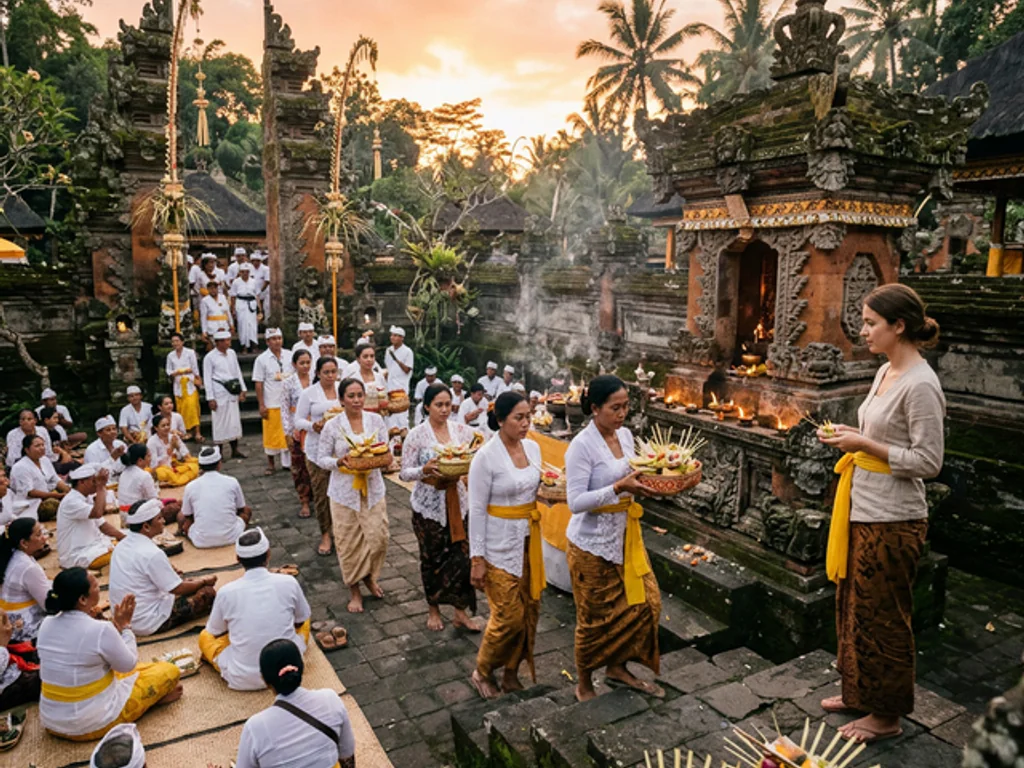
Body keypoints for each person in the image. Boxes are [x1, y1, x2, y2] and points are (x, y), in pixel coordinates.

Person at [817, 283, 945, 744]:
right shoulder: (885, 372)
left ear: (899, 326)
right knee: (855, 608)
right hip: (861, 508)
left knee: (884, 616)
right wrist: (850, 435)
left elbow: (929, 463)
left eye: (871, 323)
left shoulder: (921, 384)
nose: (863, 330)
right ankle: (859, 691)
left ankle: (886, 716)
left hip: (893, 518)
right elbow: (878, 435)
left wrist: (863, 444)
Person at [564, 374, 663, 702]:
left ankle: (617, 666)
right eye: (614, 408)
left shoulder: (627, 436)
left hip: (625, 536)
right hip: (590, 544)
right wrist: (618, 489)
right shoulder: (581, 446)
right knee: (593, 619)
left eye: (625, 407)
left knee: (646, 603)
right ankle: (584, 683)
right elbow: (575, 502)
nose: (622, 415)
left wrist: (651, 483)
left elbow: (634, 473)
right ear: (594, 408)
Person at [38, 568, 183, 741]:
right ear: (83, 599)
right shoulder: (100, 629)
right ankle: (152, 703)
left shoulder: (46, 624)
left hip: (52, 722)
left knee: (125, 670)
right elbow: (129, 664)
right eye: (96, 586)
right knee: (169, 670)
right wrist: (125, 626)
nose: (100, 587)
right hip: (90, 724)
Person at [467, 391, 543, 699]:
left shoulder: (534, 448)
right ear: (500, 420)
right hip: (498, 546)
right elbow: (476, 509)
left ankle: (512, 671)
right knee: (508, 616)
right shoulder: (486, 457)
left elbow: (540, 484)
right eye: (518, 418)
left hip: (529, 541)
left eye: (528, 417)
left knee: (530, 612)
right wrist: (477, 558)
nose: (526, 424)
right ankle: (483, 670)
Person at [400, 382, 482, 633]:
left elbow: (480, 444)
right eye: (439, 405)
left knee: (461, 558)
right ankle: (433, 607)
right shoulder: (417, 435)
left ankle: (460, 612)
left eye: (447, 404)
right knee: (432, 557)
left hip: (458, 503)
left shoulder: (460, 430)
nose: (445, 409)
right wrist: (423, 470)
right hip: (429, 506)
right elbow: (403, 473)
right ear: (426, 406)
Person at [199, 528, 311, 691]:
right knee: (305, 620)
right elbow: (300, 620)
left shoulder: (226, 592)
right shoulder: (289, 582)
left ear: (238, 559)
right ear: (268, 554)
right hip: (289, 665)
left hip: (244, 678)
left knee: (205, 636)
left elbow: (215, 632)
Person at [316, 378, 390, 613]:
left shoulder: (376, 420)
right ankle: (355, 589)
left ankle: (369, 576)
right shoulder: (333, 425)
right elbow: (322, 458)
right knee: (348, 544)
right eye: (351, 396)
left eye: (360, 395)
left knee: (379, 538)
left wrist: (378, 459)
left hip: (373, 488)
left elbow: (385, 449)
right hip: (343, 493)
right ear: (341, 400)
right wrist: (340, 461)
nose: (357, 400)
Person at [235, 638, 356, 768]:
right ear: (302, 668)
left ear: (264, 680)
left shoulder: (255, 727)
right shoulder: (330, 699)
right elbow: (347, 753)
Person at [109, 499, 217, 637]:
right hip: (147, 622)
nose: (164, 521)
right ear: (146, 527)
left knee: (188, 581)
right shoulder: (152, 553)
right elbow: (177, 588)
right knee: (207, 593)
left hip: (123, 617)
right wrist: (204, 581)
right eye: (159, 518)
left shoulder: (122, 545)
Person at [295, 356, 341, 557]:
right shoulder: (309, 393)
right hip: (317, 449)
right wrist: (312, 426)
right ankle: (325, 534)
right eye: (326, 372)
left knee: (342, 492)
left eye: (334, 372)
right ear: (318, 373)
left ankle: (342, 532)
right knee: (322, 493)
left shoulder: (343, 389)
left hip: (341, 448)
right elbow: (297, 420)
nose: (331, 376)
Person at [179, 447, 251, 548]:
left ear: (200, 467)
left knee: (184, 519)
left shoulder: (190, 486)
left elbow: (186, 514)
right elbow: (241, 507)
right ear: (219, 464)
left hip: (200, 541)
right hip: (232, 537)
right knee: (247, 511)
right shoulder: (232, 481)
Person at [56, 464, 124, 570]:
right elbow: (98, 513)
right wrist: (101, 487)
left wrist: (124, 538)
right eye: (94, 481)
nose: (96, 484)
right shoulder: (71, 501)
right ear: (81, 482)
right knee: (122, 553)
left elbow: (103, 525)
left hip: (93, 547)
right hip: (78, 555)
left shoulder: (86, 497)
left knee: (128, 541)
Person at [0, 517, 51, 643]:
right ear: (24, 543)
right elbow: (49, 605)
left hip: (9, 623)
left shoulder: (10, 555)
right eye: (39, 535)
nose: (44, 537)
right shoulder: (28, 567)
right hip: (25, 631)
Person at [253, 328, 294, 476]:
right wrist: (261, 404)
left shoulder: (289, 355)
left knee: (287, 432)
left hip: (288, 401)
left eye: (279, 338)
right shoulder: (261, 359)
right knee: (270, 434)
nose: (277, 341)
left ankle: (288, 463)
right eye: (274, 339)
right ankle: (271, 463)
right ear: (267, 342)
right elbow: (258, 383)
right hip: (272, 401)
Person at [203, 329, 248, 459]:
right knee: (220, 421)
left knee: (234, 420)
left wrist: (242, 389)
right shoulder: (210, 357)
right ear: (218, 342)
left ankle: (235, 449)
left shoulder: (232, 353)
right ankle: (219, 451)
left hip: (232, 388)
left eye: (229, 340)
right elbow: (207, 378)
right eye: (226, 341)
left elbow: (237, 371)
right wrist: (210, 397)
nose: (228, 343)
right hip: (219, 391)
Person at [281, 349, 313, 519]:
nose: (305, 366)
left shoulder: (316, 379)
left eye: (308, 362)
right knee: (299, 467)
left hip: (314, 426)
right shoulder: (288, 382)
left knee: (315, 465)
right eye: (302, 363)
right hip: (296, 428)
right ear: (294, 364)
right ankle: (304, 500)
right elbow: (285, 408)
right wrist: (288, 430)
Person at [117, 443, 180, 525]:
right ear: (140, 460)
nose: (150, 459)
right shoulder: (144, 475)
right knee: (178, 507)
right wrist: (163, 503)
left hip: (124, 514)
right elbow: (154, 500)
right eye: (148, 456)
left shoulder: (124, 472)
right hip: (138, 516)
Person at [10, 434, 68, 521]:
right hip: (30, 504)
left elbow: (55, 479)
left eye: (42, 445)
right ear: (27, 450)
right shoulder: (20, 467)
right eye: (37, 446)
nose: (42, 448)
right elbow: (30, 492)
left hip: (50, 496)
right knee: (55, 505)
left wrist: (69, 491)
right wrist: (57, 496)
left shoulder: (45, 460)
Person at [166, 332, 204, 442]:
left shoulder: (190, 353)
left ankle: (197, 432)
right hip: (178, 385)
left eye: (177, 341)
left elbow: (194, 368)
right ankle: (186, 432)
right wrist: (176, 373)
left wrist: (197, 378)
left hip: (189, 383)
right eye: (173, 341)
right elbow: (168, 370)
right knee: (181, 409)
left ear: (182, 342)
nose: (175, 343)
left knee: (193, 407)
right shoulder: (170, 356)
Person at [146, 413, 199, 486]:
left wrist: (178, 448)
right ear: (156, 428)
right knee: (161, 473)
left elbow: (186, 455)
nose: (166, 427)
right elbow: (153, 465)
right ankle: (174, 481)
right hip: (161, 469)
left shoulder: (173, 437)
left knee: (195, 465)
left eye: (168, 425)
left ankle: (172, 482)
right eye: (163, 426)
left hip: (175, 467)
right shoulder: (152, 441)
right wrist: (171, 449)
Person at [343, 341, 388, 416]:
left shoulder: (379, 377)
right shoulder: (352, 379)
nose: (369, 360)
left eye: (372, 356)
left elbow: (386, 397)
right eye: (365, 356)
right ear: (358, 359)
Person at [384, 326, 414, 431]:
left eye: (396, 336)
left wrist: (396, 360)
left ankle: (404, 435)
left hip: (401, 387)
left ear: (402, 338)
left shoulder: (407, 351)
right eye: (392, 335)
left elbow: (407, 369)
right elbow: (388, 367)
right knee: (390, 414)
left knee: (401, 415)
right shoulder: (388, 350)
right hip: (389, 386)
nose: (393, 338)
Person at [39, 405, 82, 474]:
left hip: (58, 458)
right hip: (49, 462)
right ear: (46, 420)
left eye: (57, 418)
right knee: (74, 466)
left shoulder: (56, 432)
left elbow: (60, 447)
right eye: (54, 418)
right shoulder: (41, 433)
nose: (57, 420)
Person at [84, 416, 128, 481]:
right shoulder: (92, 450)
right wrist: (112, 458)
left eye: (114, 429)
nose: (113, 432)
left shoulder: (120, 444)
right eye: (108, 430)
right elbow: (95, 474)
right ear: (99, 433)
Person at [231, 262, 261, 353]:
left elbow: (257, 295)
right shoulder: (236, 282)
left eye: (247, 272)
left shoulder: (254, 282)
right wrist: (233, 309)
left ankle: (254, 345)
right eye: (243, 272)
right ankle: (244, 346)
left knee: (252, 325)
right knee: (242, 325)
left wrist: (260, 309)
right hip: (241, 304)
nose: (245, 274)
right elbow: (233, 296)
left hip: (251, 304)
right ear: (240, 272)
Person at [200, 279, 234, 347]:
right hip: (212, 327)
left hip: (224, 325)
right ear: (208, 289)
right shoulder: (205, 301)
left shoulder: (223, 297)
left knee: (226, 345)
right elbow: (203, 317)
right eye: (211, 288)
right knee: (215, 346)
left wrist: (231, 324)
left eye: (214, 288)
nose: (213, 290)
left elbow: (227, 312)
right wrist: (204, 331)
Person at [251, 251, 271, 320]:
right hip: (253, 294)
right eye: (254, 261)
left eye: (257, 261)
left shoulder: (266, 269)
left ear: (260, 261)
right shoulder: (250, 269)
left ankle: (265, 324)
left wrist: (260, 291)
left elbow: (267, 281)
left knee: (266, 309)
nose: (256, 262)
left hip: (264, 293)